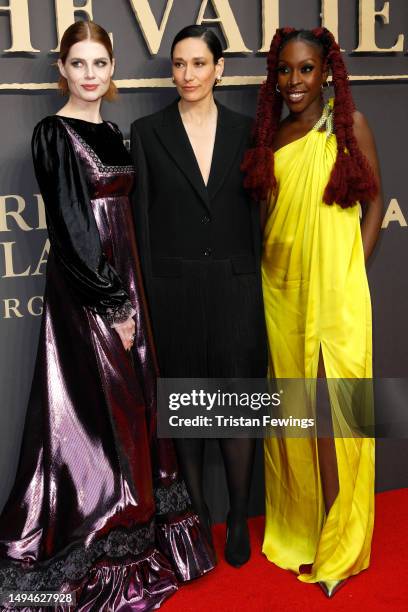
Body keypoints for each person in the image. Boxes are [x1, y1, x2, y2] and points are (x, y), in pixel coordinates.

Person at [0, 21, 215, 611]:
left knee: (133, 409)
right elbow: (71, 227)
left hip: (130, 284)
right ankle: (103, 537)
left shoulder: (115, 132)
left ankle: (140, 531)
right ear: (62, 70)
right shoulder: (54, 134)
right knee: (101, 414)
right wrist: (113, 304)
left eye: (100, 64)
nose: (90, 75)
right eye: (79, 64)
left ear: (111, 68)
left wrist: (133, 296)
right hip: (89, 292)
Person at [242, 27, 383, 595]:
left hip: (336, 291)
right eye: (285, 71)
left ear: (327, 72)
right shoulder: (272, 136)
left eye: (305, 70)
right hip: (282, 290)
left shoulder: (349, 128)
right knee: (297, 413)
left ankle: (338, 541)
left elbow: (374, 204)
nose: (294, 81)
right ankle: (306, 526)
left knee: (333, 414)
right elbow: (267, 219)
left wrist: (353, 268)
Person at [130, 25, 267, 568]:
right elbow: (142, 223)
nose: (187, 74)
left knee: (235, 411)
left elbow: (259, 215)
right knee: (185, 412)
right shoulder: (146, 130)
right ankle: (199, 515)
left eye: (198, 63)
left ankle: (237, 515)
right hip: (173, 290)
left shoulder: (247, 131)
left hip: (235, 287)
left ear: (219, 68)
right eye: (179, 63)